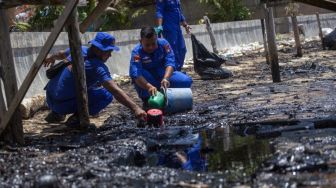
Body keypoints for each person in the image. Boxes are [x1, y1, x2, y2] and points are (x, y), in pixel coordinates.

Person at [44, 32, 147, 126]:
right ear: (99, 50)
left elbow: (61, 54)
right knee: (106, 95)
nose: (110, 55)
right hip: (61, 105)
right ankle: (77, 118)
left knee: (95, 83)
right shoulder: (97, 66)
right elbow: (115, 90)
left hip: (49, 98)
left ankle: (56, 114)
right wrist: (136, 108)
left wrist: (51, 57)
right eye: (109, 51)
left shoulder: (79, 49)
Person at [129, 27, 192, 103]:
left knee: (186, 81)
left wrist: (166, 78)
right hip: (147, 79)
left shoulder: (164, 44)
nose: (151, 47)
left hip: (162, 74)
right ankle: (148, 98)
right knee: (139, 76)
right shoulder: (136, 53)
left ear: (157, 39)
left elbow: (170, 62)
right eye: (147, 45)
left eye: (153, 44)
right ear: (141, 42)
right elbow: (136, 74)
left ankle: (165, 93)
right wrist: (148, 87)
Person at [155, 0, 191, 71]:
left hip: (177, 28)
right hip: (169, 28)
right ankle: (174, 70)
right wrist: (159, 26)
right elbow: (159, 12)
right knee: (173, 50)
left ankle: (178, 69)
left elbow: (179, 12)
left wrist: (185, 25)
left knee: (182, 49)